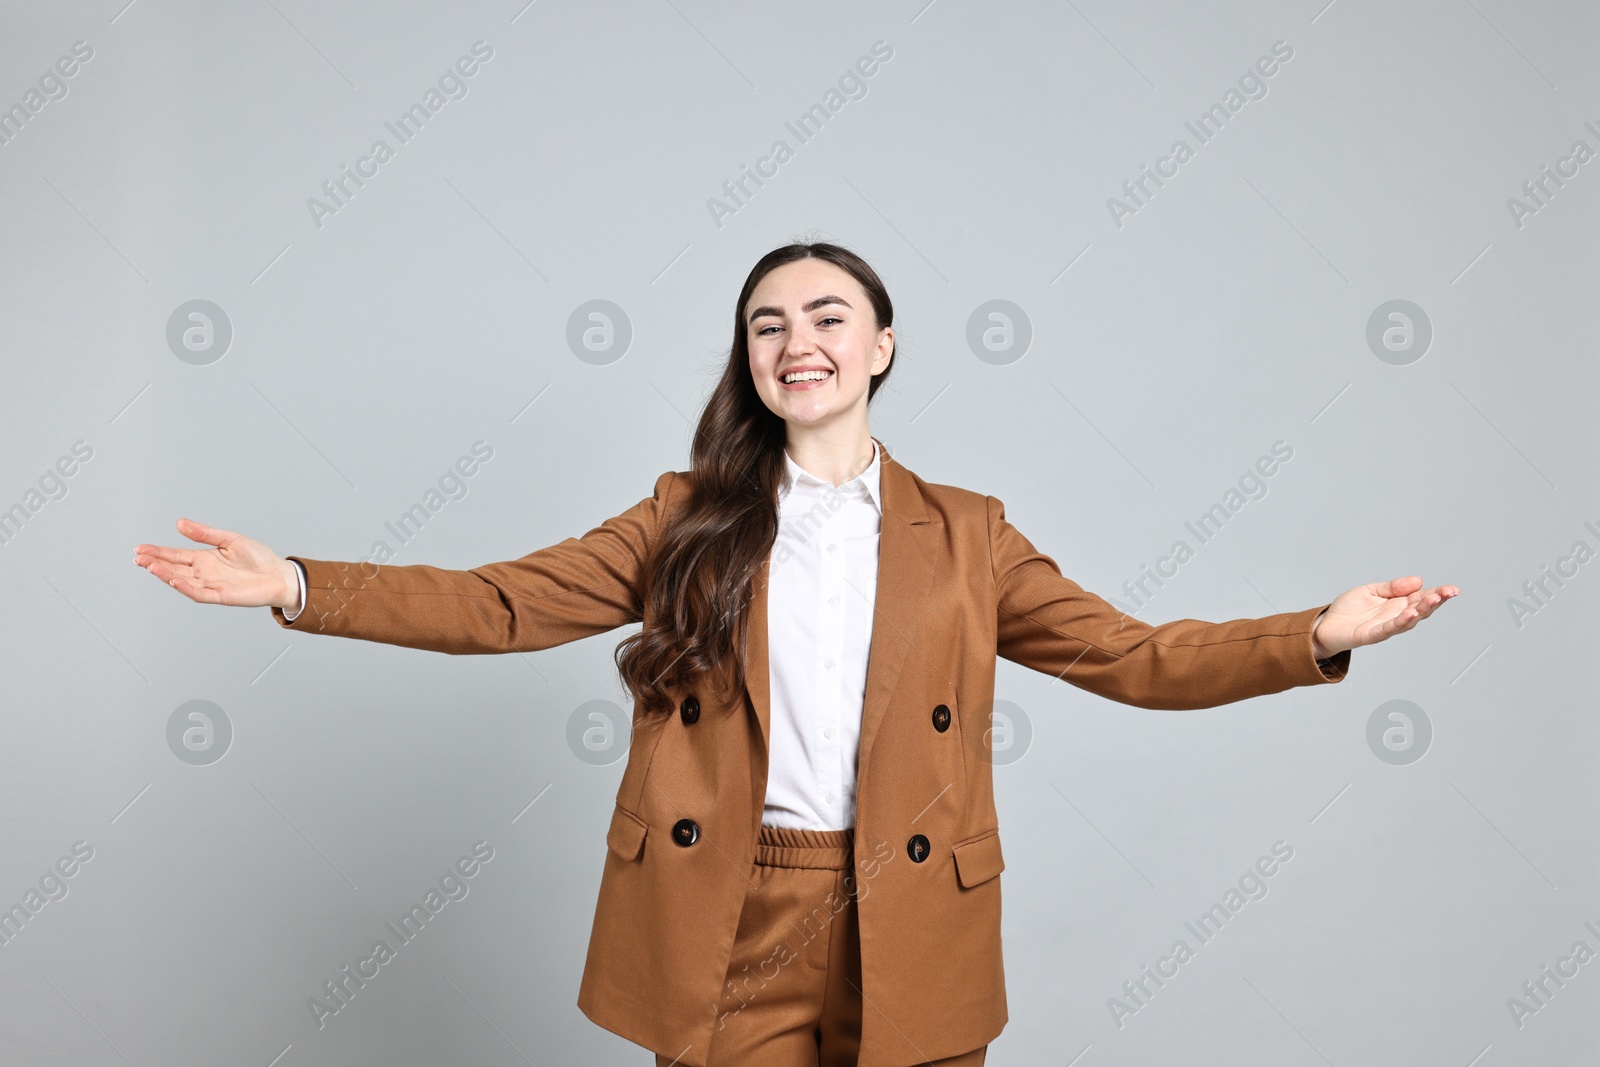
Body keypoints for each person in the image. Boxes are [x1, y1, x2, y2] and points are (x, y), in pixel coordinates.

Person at [134, 241, 1458, 1066]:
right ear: (751, 363)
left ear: (881, 349)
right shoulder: (683, 518)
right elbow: (499, 603)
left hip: (915, 908)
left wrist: (1315, 636)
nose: (797, 341)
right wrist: (299, 583)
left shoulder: (972, 537)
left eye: (828, 317)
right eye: (768, 324)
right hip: (736, 911)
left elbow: (1133, 656)